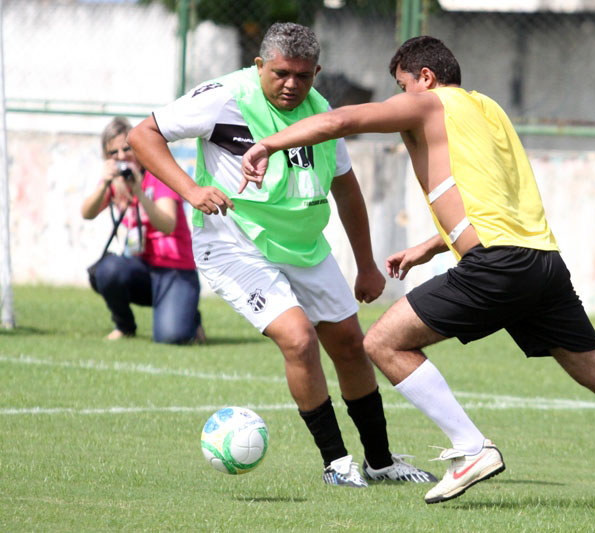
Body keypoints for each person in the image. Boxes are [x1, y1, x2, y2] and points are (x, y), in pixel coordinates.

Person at [238, 36, 595, 513]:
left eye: (402, 86)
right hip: (541, 263)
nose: (400, 101)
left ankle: (470, 447)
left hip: (497, 264)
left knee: (383, 343)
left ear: (426, 78)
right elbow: (494, 199)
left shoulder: (431, 103)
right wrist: (432, 246)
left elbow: (342, 119)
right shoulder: (491, 111)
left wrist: (268, 145)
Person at [128, 23, 436, 487]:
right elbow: (143, 135)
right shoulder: (223, 97)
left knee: (352, 346)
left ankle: (381, 461)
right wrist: (191, 190)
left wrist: (367, 263)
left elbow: (346, 190)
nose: (291, 84)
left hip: (303, 245)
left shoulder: (321, 113)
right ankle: (336, 464)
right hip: (234, 244)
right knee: (298, 339)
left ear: (317, 72)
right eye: (280, 74)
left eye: (303, 75)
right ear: (259, 66)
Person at [81, 116, 204, 344]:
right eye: (113, 153)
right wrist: (104, 184)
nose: (121, 157)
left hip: (174, 269)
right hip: (142, 269)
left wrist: (139, 191)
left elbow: (167, 225)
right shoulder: (115, 181)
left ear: (138, 148)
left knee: (171, 336)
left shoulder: (159, 176)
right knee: (107, 271)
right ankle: (124, 325)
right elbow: (87, 213)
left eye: (127, 149)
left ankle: (190, 316)